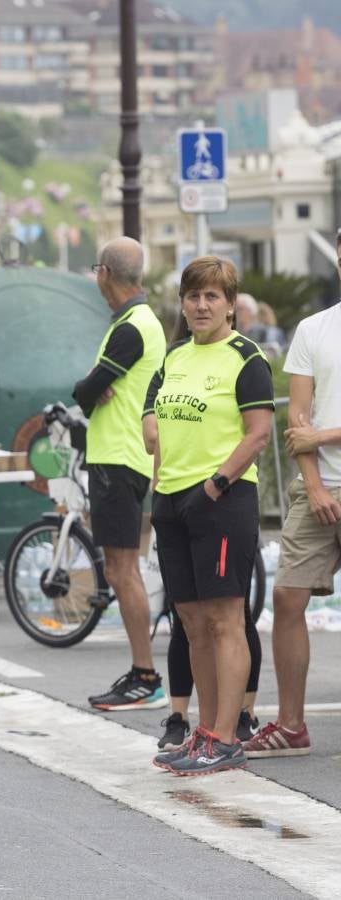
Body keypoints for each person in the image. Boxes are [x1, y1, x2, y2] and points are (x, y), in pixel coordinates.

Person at [146, 256, 273, 775]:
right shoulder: (175, 356)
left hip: (223, 500)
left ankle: (225, 737)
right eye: (193, 296)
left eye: (212, 297)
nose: (201, 305)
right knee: (192, 623)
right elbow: (153, 410)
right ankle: (202, 731)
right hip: (172, 500)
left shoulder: (247, 358)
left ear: (228, 304)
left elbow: (259, 433)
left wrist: (216, 484)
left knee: (225, 621)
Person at [243, 236, 341, 759]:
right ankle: (291, 724)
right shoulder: (313, 328)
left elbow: (312, 430)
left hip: (323, 458)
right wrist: (318, 483)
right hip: (316, 488)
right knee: (286, 598)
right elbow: (296, 418)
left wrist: (323, 437)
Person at [72, 238, 168, 711]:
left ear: (104, 272)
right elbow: (96, 389)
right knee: (121, 568)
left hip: (117, 457)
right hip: (128, 457)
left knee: (122, 570)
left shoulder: (132, 327)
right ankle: (143, 671)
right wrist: (93, 388)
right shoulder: (140, 324)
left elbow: (88, 389)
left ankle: (145, 673)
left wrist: (87, 387)